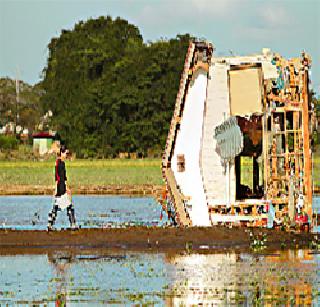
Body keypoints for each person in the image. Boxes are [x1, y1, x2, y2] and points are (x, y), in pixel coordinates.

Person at [47, 145, 77, 230]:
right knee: (69, 206)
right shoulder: (60, 163)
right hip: (61, 186)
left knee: (56, 206)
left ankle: (50, 224)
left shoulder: (59, 163)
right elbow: (60, 177)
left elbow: (61, 177)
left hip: (61, 185)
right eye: (65, 153)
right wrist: (64, 188)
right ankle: (73, 224)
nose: (66, 155)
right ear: (62, 153)